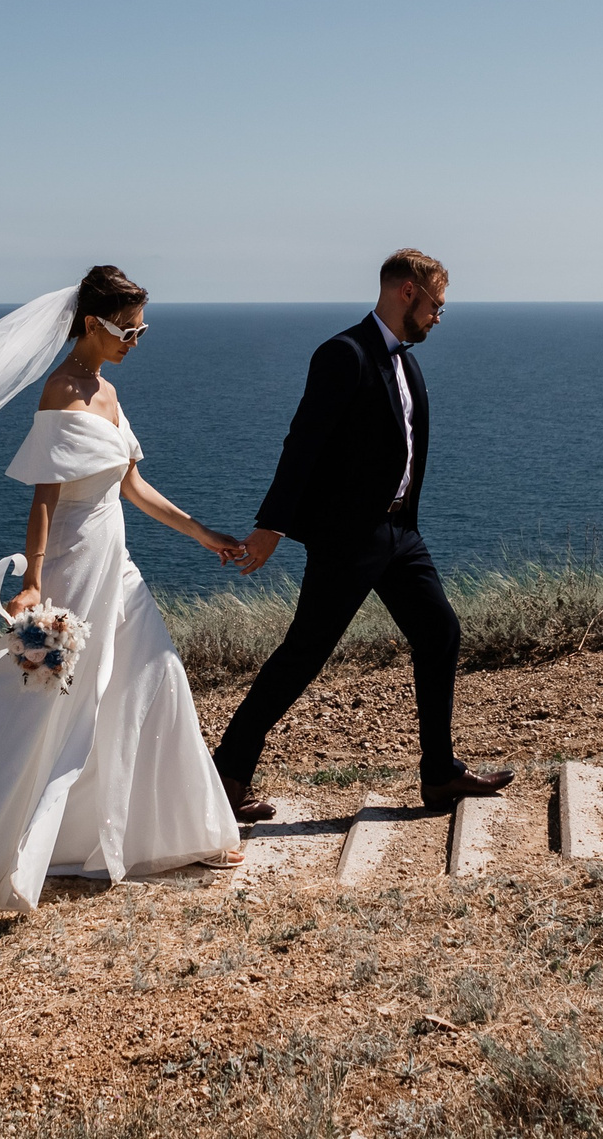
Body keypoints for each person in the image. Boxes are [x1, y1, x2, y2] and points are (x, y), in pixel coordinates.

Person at [0, 265, 248, 919]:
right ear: (92, 323)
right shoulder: (60, 391)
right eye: (127, 328)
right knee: (31, 706)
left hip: (116, 564)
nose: (136, 340)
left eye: (143, 329)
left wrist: (203, 534)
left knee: (154, 678)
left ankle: (184, 832)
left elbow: (132, 486)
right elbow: (44, 497)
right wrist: (33, 579)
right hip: (70, 569)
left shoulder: (109, 393)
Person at [210, 248, 510, 820]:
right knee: (303, 654)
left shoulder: (407, 361)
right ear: (407, 293)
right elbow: (303, 443)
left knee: (440, 632)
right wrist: (270, 526)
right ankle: (227, 777)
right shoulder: (343, 354)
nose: (438, 318)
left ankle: (440, 774)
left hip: (400, 534)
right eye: (436, 306)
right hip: (349, 540)